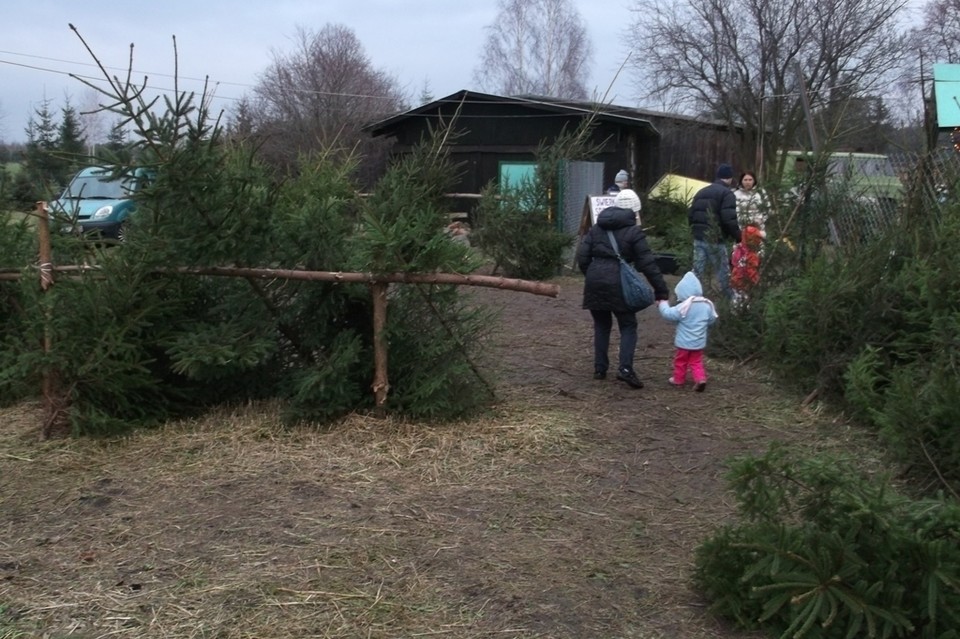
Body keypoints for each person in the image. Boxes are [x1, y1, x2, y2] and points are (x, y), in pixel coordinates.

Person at [578, 188, 669, 389]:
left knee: (601, 325)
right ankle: (625, 368)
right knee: (628, 325)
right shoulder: (634, 232)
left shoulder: (596, 228)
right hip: (620, 283)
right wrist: (660, 290)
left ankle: (600, 368)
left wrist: (593, 274)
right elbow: (647, 264)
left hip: (595, 280)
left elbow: (582, 258)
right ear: (635, 210)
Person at [657, 271, 718, 392]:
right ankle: (700, 379)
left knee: (681, 361)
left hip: (684, 343)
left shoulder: (685, 306)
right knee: (696, 361)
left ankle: (678, 379)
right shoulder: (706, 304)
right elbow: (711, 319)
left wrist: (663, 304)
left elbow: (669, 314)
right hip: (699, 342)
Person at [689, 163, 741, 300]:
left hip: (698, 238)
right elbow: (728, 219)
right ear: (730, 178)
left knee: (697, 272)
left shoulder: (701, 191)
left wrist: (695, 232)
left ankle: (687, 298)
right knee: (723, 273)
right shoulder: (727, 194)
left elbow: (691, 214)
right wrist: (738, 236)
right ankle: (733, 302)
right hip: (715, 240)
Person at [730, 225, 765, 308]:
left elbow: (733, 262)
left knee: (736, 300)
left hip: (735, 280)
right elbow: (751, 270)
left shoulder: (738, 249)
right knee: (745, 303)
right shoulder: (752, 256)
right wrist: (756, 280)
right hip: (745, 283)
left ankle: (734, 313)